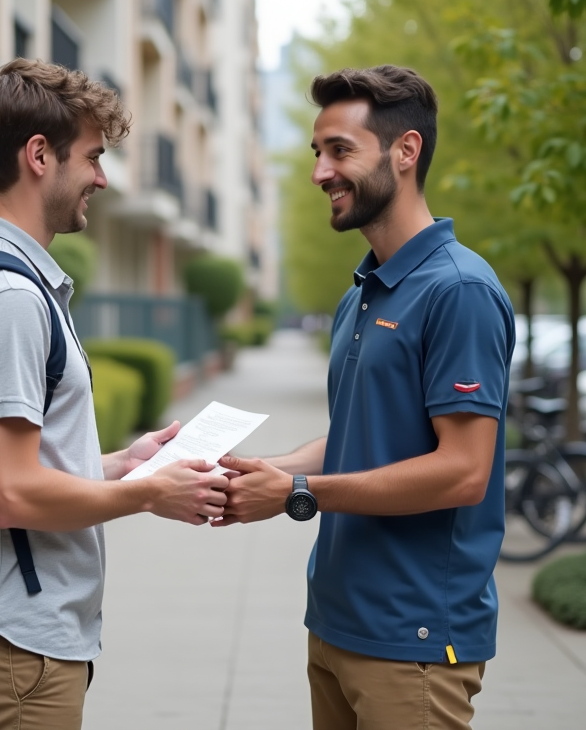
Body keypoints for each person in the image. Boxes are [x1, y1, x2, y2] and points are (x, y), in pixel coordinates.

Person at [0, 59, 229, 730]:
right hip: (15, 651)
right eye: (92, 157)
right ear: (38, 156)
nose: (101, 177)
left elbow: (13, 469)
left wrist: (122, 463)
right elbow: (12, 495)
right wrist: (149, 493)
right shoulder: (7, 299)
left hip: (12, 646)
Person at [217, 65, 515, 730]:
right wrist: (267, 472)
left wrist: (299, 493)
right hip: (335, 625)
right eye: (318, 153)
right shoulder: (362, 294)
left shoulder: (459, 291)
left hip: (412, 642)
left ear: (405, 152)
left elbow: (464, 472)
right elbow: (356, 435)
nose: (321, 172)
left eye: (341, 151)